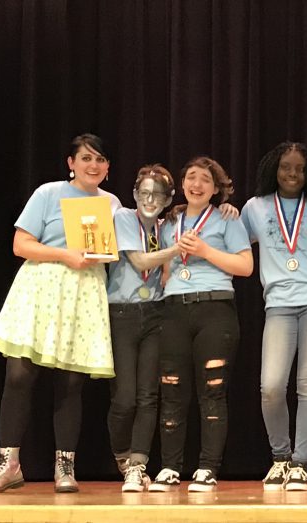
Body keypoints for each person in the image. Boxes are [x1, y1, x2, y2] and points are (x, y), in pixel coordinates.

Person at [0, 134, 122, 493]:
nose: (93, 165)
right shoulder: (48, 193)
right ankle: (8, 463)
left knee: (71, 383)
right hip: (42, 286)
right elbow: (20, 243)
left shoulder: (112, 203)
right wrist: (64, 255)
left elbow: (133, 237)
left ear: (107, 167)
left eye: (100, 160)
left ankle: (65, 466)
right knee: (19, 375)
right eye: (86, 158)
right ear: (70, 163)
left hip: (84, 291)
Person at [148, 157, 253, 493]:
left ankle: (207, 468)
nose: (197, 184)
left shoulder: (226, 219)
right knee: (172, 391)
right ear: (182, 185)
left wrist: (206, 250)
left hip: (215, 310)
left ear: (215, 188)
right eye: (191, 177)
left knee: (213, 392)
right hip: (175, 311)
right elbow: (161, 270)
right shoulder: (168, 223)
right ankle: (169, 467)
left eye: (205, 179)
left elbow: (246, 266)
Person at [241, 142, 307, 491]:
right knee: (271, 386)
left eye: (299, 168)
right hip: (278, 303)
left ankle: (300, 463)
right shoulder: (254, 208)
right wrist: (216, 209)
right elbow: (232, 243)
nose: (293, 174)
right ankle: (280, 457)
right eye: (286, 167)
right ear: (273, 168)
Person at [105, 165, 179, 492]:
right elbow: (140, 262)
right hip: (122, 312)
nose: (151, 199)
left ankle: (138, 464)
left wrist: (227, 207)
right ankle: (122, 455)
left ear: (167, 199)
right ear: (135, 194)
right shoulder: (123, 217)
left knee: (149, 395)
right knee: (125, 398)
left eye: (158, 194)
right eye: (144, 193)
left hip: (156, 314)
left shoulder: (169, 226)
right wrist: (178, 250)